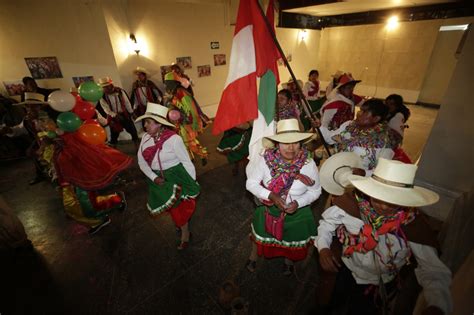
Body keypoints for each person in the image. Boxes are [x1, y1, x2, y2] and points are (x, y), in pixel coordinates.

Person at [315, 155, 452, 315]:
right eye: (378, 198)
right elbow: (327, 224)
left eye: (392, 202)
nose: (383, 207)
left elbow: (432, 270)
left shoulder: (412, 226)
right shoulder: (352, 205)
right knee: (332, 301)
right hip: (347, 269)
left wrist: (437, 304)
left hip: (379, 284)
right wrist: (323, 248)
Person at [245, 118, 321, 275]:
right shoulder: (265, 161)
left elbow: (315, 191)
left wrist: (298, 203)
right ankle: (253, 256)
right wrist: (271, 195)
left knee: (291, 241)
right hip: (269, 209)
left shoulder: (308, 164)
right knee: (261, 234)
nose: (291, 148)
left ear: (301, 143)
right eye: (285, 143)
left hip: (297, 213)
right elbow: (251, 183)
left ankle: (288, 261)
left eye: (295, 143)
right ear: (277, 144)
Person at [136, 102, 200, 250]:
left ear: (159, 124)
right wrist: (154, 177)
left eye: (149, 122)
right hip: (157, 179)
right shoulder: (145, 138)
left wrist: (192, 183)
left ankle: (185, 233)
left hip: (175, 176)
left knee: (178, 208)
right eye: (146, 122)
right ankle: (182, 225)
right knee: (171, 207)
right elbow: (141, 162)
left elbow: (186, 162)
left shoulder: (174, 139)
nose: (145, 126)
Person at [53, 126, 132, 235]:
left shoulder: (71, 140)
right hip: (72, 181)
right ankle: (104, 214)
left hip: (79, 180)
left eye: (44, 121)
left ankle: (115, 203)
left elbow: (83, 159)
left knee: (87, 205)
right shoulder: (60, 141)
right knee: (85, 205)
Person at [319, 99, 401, 174]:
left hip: (363, 183)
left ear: (376, 118)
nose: (358, 113)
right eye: (360, 110)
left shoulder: (384, 141)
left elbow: (382, 170)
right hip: (340, 174)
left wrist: (364, 173)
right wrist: (319, 126)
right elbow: (330, 138)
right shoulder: (349, 126)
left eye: (364, 112)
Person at [0, 93, 52, 184]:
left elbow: (51, 135)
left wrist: (41, 148)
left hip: (53, 145)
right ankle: (42, 174)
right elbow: (21, 129)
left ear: (41, 107)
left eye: (34, 107)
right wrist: (9, 130)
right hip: (39, 144)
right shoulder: (27, 120)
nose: (30, 109)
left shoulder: (49, 118)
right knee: (32, 152)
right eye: (28, 107)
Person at [163, 71, 208, 165]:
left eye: (168, 82)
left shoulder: (181, 92)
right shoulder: (172, 92)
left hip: (187, 122)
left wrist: (195, 122)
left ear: (173, 82)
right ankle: (190, 159)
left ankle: (203, 154)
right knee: (183, 142)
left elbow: (191, 108)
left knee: (190, 142)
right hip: (179, 122)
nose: (166, 85)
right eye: (166, 83)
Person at [98, 77, 139, 149]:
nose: (105, 89)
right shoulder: (102, 96)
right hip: (113, 116)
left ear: (111, 86)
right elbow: (106, 109)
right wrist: (115, 115)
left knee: (133, 131)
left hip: (124, 114)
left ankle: (137, 147)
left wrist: (132, 113)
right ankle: (114, 149)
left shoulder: (120, 91)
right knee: (114, 134)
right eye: (104, 88)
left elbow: (127, 103)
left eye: (107, 87)